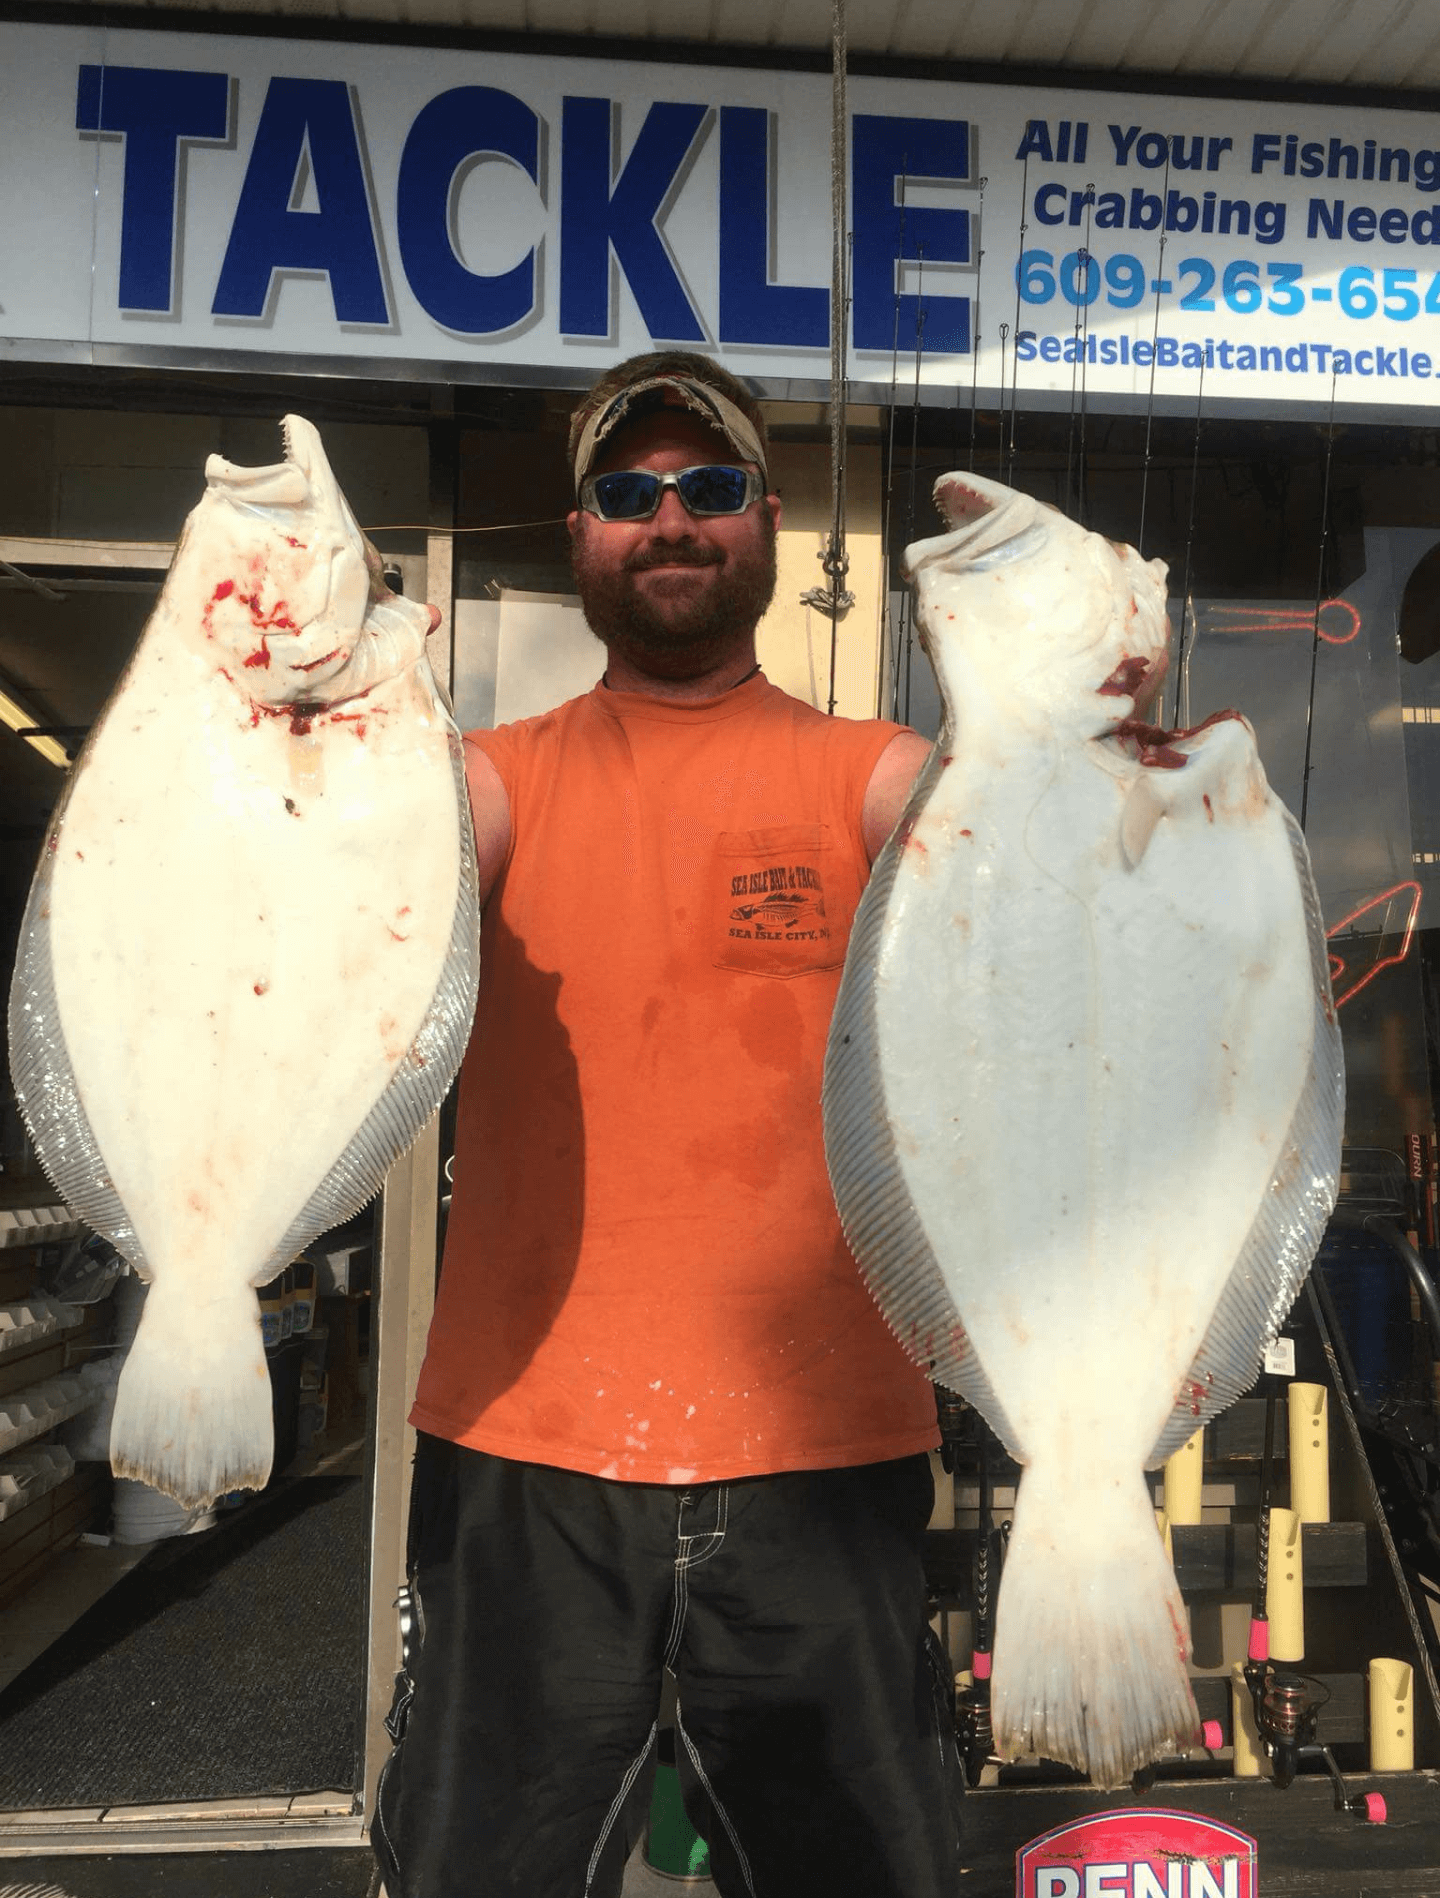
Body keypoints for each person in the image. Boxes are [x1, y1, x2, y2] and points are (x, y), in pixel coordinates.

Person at [372, 350, 964, 1898]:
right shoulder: (489, 783)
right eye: (625, 494)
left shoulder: (871, 775)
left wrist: (1087, 707)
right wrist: (325, 706)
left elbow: (1029, 844)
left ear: (768, 520)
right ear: (576, 539)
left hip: (824, 1460)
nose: (670, 520)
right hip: (526, 1460)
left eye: (706, 488)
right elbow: (360, 852)